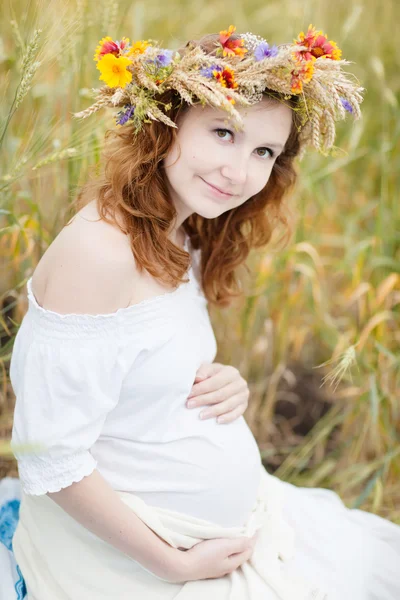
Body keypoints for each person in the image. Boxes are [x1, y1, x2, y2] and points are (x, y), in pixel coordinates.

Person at [8, 25, 400, 600]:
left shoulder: (179, 228)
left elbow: (142, 367)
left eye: (262, 151)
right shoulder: (97, 254)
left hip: (229, 529)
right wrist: (172, 565)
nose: (239, 172)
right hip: (135, 561)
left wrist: (228, 383)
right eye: (223, 133)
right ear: (165, 128)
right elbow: (51, 455)